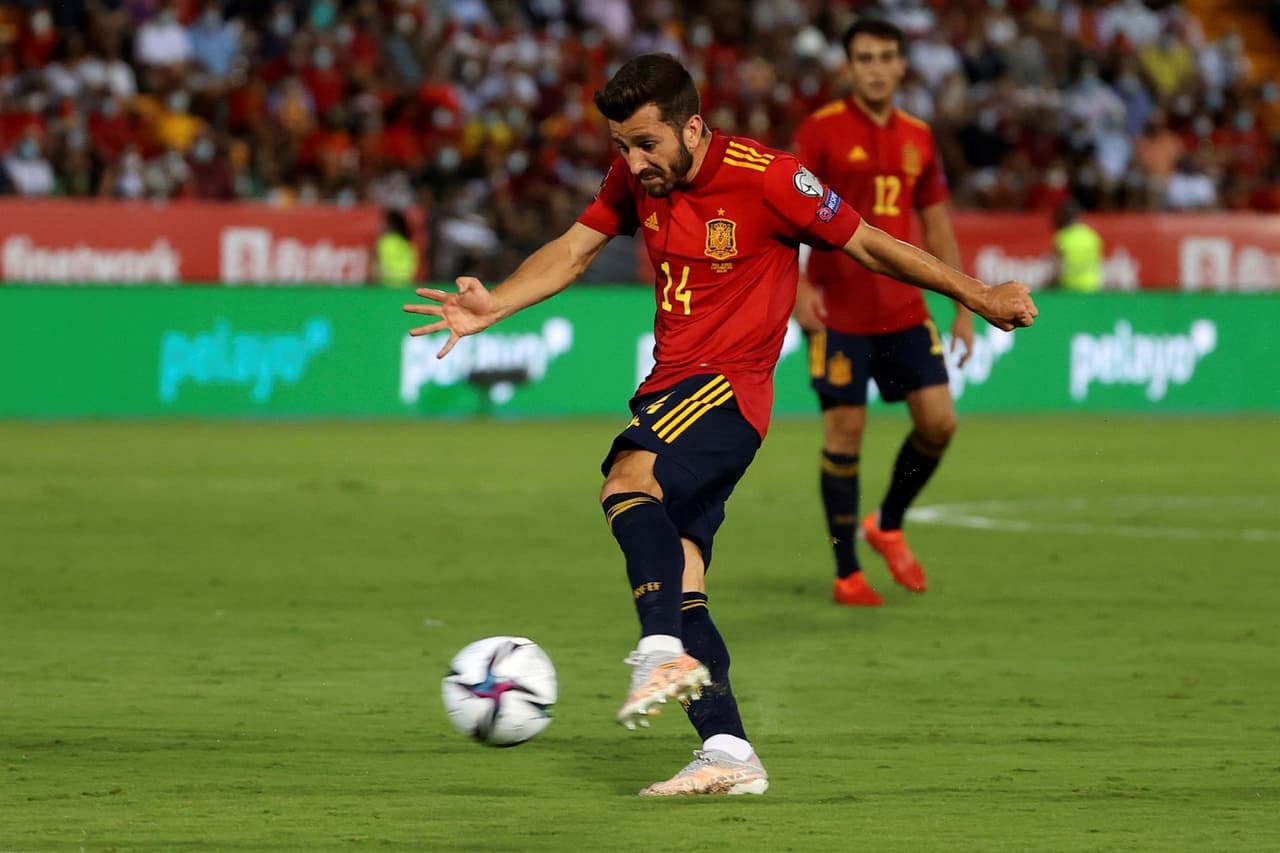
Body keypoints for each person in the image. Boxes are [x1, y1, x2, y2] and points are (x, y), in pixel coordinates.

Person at [404, 53, 1036, 797]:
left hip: (725, 388)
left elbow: (867, 241)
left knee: (626, 483)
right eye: (622, 147)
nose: (634, 163)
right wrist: (495, 305)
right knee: (683, 573)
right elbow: (573, 252)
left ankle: (659, 650)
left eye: (647, 144)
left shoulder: (769, 178)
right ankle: (728, 751)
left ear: (693, 127)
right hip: (673, 387)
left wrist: (977, 295)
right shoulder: (636, 177)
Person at [791, 18, 972, 607]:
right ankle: (847, 572)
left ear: (901, 65)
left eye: (886, 56)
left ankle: (887, 523)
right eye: (864, 58)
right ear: (848, 67)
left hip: (903, 308)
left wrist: (964, 301)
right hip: (839, 310)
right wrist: (796, 288)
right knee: (845, 435)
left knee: (939, 424)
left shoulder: (919, 136)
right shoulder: (820, 131)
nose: (875, 68)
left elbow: (937, 224)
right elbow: (784, 211)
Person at [1050, 199, 1103, 293]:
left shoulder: (1062, 237)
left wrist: (1052, 286)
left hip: (1069, 288)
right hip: (1092, 287)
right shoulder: (1092, 236)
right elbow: (1098, 263)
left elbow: (1059, 268)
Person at [374, 209, 420, 287]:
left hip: (387, 285)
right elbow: (414, 265)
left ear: (390, 224)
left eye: (384, 222)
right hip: (406, 284)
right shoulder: (409, 243)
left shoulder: (385, 241)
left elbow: (376, 266)